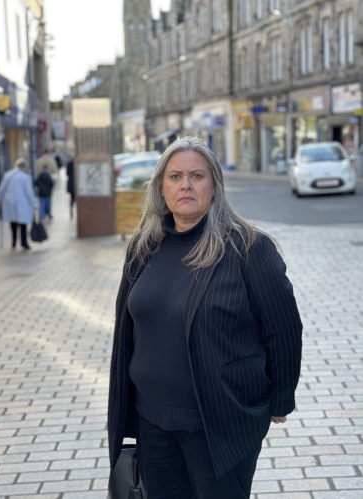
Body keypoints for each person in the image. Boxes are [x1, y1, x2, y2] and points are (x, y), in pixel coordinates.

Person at [107, 137, 303, 499]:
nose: (186, 184)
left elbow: (284, 329)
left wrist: (280, 399)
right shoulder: (141, 247)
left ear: (214, 186)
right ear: (161, 188)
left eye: (197, 175)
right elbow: (128, 331)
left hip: (220, 422)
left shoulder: (247, 248)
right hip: (152, 421)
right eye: (175, 176)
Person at [0, 158, 38, 250]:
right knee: (22, 222)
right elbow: (29, 192)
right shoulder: (25, 176)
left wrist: (0, 200)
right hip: (21, 201)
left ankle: (13, 242)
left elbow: (1, 189)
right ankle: (24, 243)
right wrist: (34, 204)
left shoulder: (7, 174)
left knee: (13, 221)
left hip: (9, 200)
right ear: (24, 167)